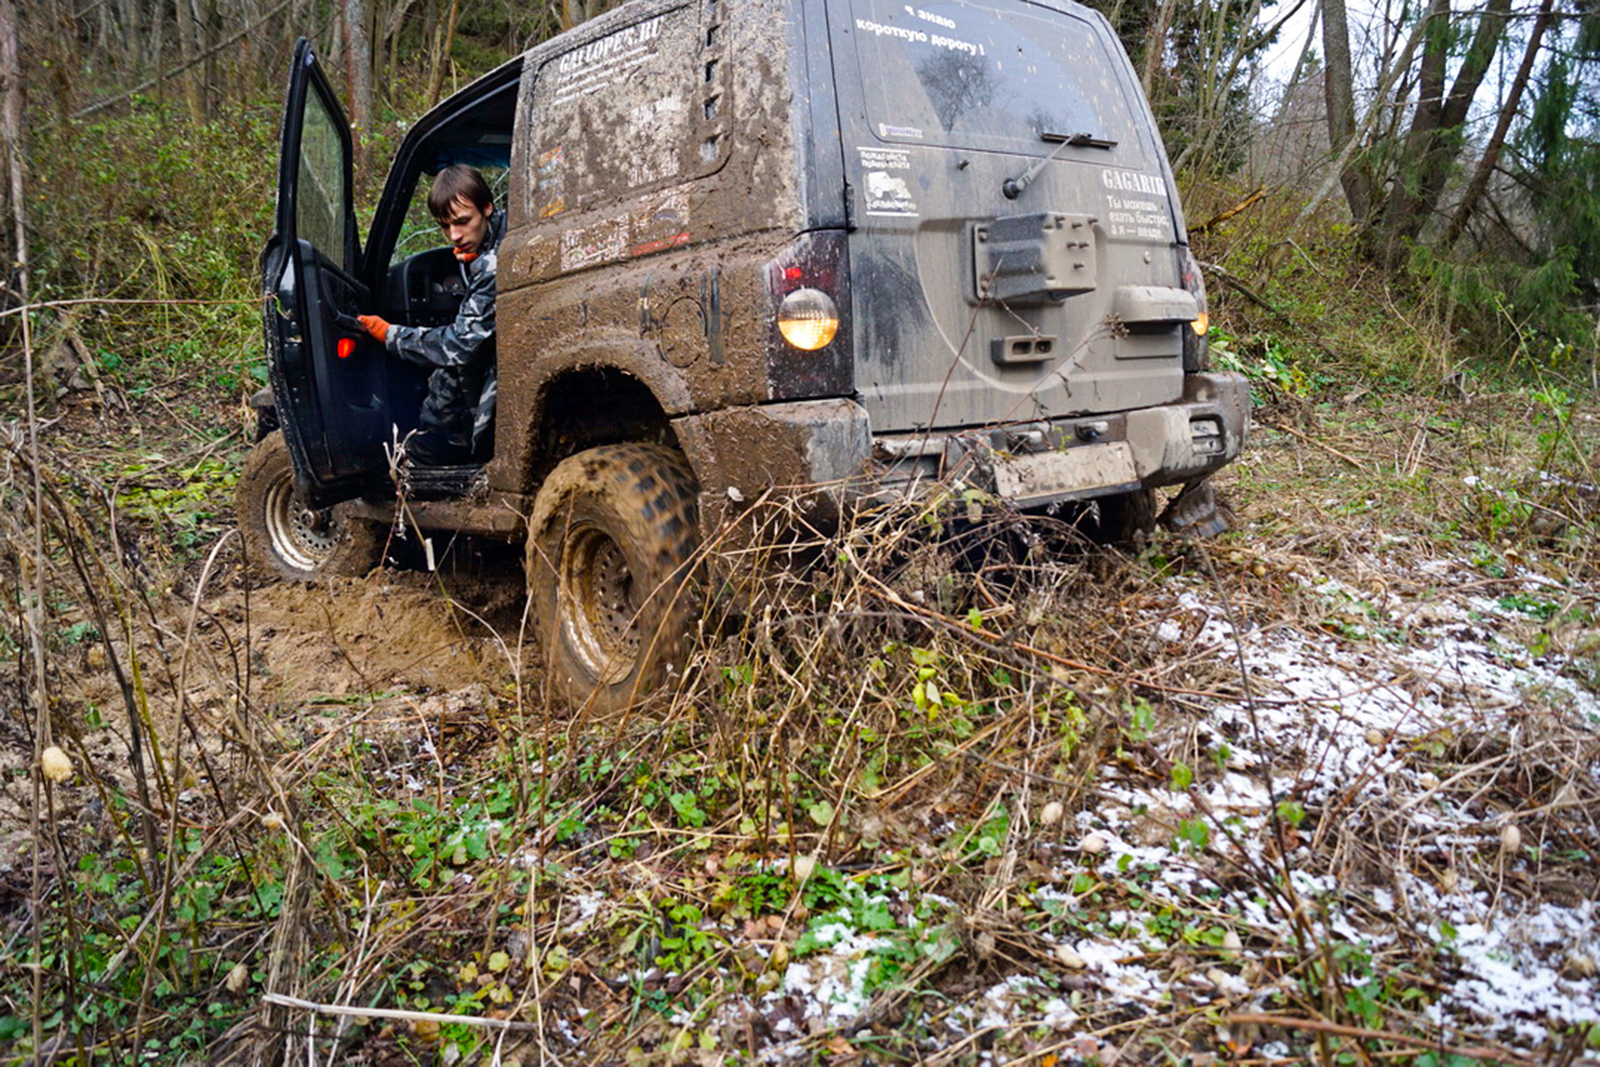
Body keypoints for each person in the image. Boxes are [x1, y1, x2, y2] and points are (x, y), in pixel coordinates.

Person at [357, 164, 502, 466]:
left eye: (463, 222)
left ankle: (427, 458)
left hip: (506, 366)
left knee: (450, 372)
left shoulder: (493, 263)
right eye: (445, 226)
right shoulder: (495, 240)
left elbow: (460, 345)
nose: (455, 235)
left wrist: (391, 334)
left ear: (487, 207)